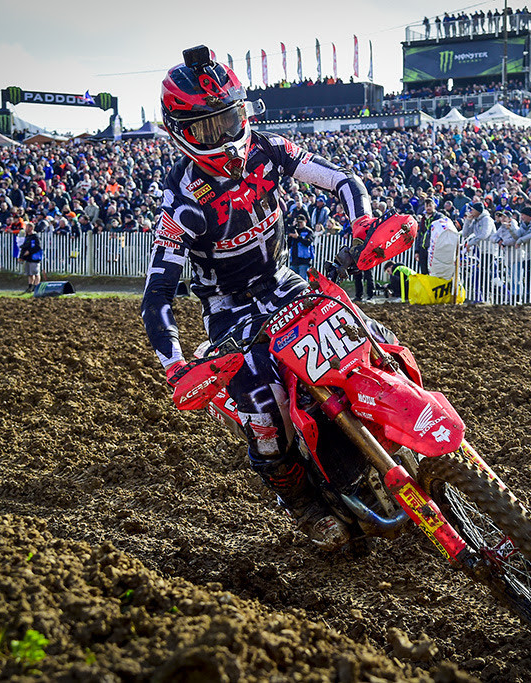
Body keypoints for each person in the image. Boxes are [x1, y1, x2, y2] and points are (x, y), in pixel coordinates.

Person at [141, 46, 413, 552]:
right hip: (230, 310)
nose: (225, 136)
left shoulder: (269, 150)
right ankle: (304, 506)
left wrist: (362, 224)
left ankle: (402, 429)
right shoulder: (181, 204)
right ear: (180, 132)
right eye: (208, 128)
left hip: (285, 280)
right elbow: (156, 296)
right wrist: (175, 366)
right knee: (265, 408)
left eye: (231, 119)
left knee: (367, 339)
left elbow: (344, 180)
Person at [16, 217, 43, 293]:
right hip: (28, 258)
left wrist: (29, 252)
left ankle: (36, 287)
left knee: (36, 273)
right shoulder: (27, 237)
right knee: (29, 274)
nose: (26, 228)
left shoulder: (35, 236)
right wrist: (21, 257)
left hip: (35, 258)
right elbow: (24, 247)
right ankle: (30, 286)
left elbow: (38, 247)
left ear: (31, 228)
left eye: (27, 227)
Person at [287, 214, 314, 279]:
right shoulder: (294, 230)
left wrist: (298, 237)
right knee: (292, 280)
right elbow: (288, 244)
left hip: (304, 261)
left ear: (305, 222)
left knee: (303, 279)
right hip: (294, 260)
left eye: (301, 222)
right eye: (298, 223)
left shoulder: (308, 231)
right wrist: (292, 228)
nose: (300, 224)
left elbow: (308, 242)